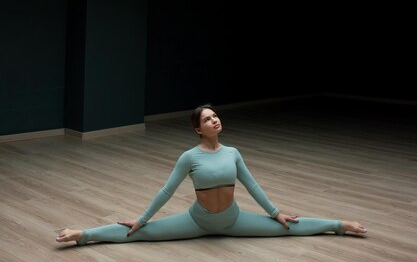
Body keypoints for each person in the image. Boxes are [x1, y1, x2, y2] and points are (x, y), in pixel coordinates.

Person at [56, 104, 367, 245]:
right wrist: (143, 218)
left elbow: (252, 184)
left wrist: (275, 213)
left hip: (233, 219)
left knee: (290, 225)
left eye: (216, 116)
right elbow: (166, 191)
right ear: (197, 129)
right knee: (138, 234)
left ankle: (339, 225)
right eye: (208, 119)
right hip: (197, 220)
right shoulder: (189, 158)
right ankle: (83, 234)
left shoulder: (233, 152)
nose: (215, 120)